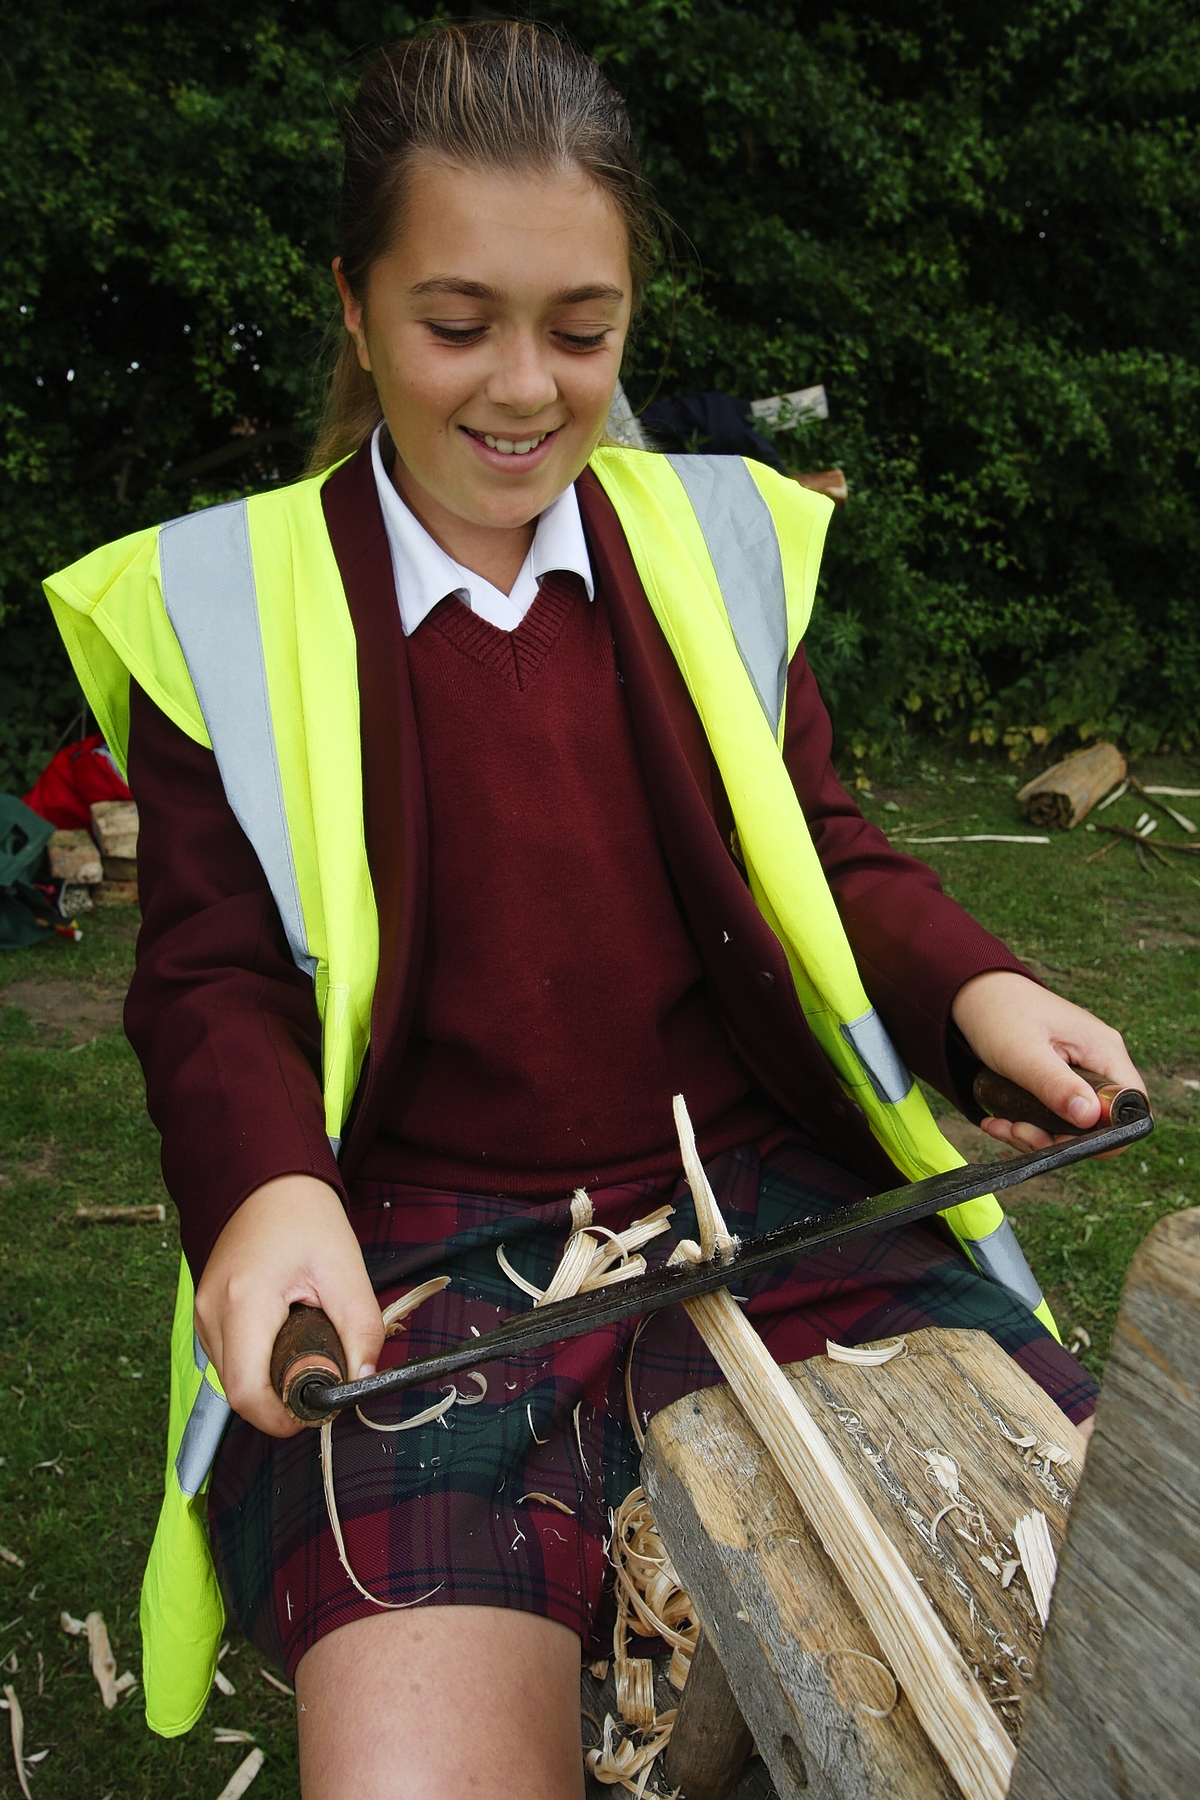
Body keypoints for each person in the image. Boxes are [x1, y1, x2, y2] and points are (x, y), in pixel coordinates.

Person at [44, 22, 1143, 1799]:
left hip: (770, 1203)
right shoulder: (218, 599)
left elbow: (827, 853)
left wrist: (976, 996)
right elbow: (212, 979)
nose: (526, 387)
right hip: (415, 1255)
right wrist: (264, 1189)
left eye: (583, 329)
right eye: (456, 322)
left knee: (1077, 1663)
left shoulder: (712, 538)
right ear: (353, 300)